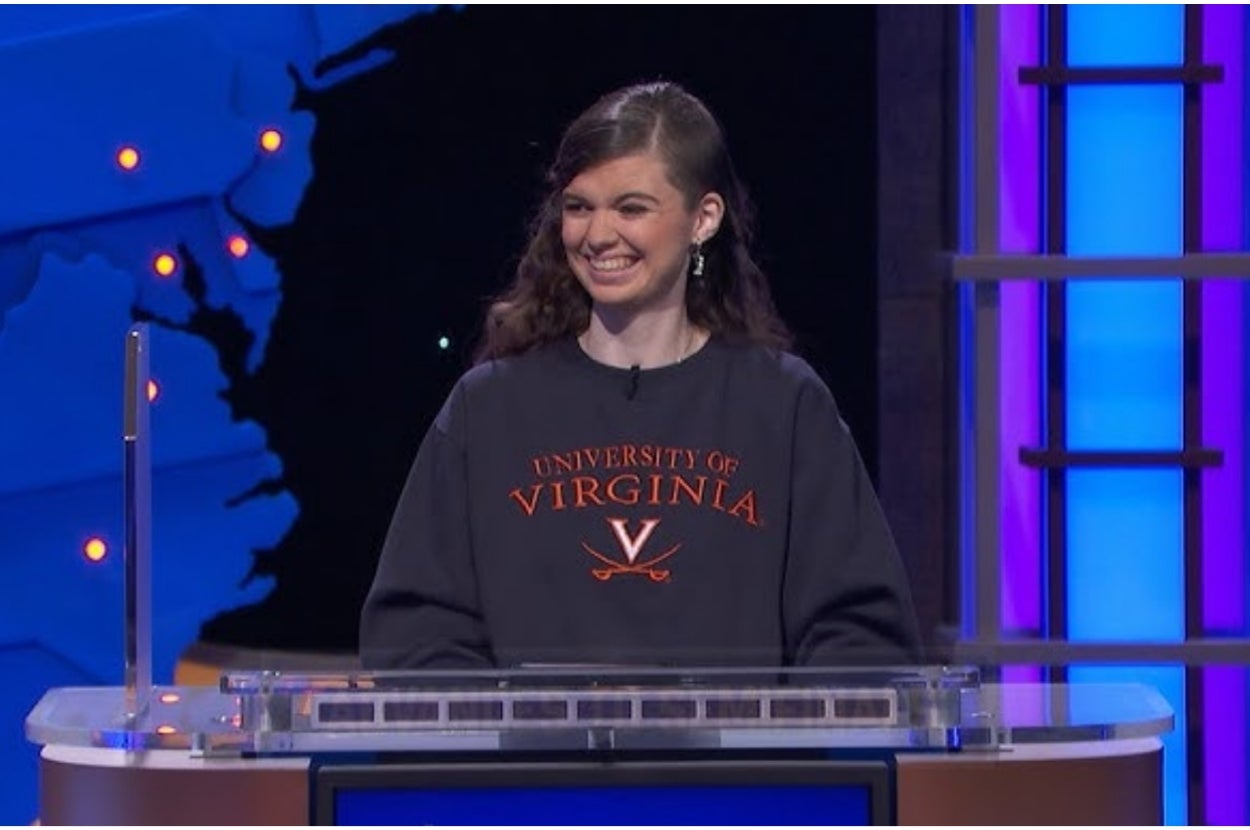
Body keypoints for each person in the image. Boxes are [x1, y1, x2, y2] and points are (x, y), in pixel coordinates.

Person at [359, 81, 922, 670]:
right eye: (578, 207)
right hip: (537, 765)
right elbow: (415, 632)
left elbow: (862, 635)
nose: (598, 235)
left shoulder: (782, 404)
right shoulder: (488, 407)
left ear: (703, 218)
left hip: (735, 766)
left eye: (631, 208)